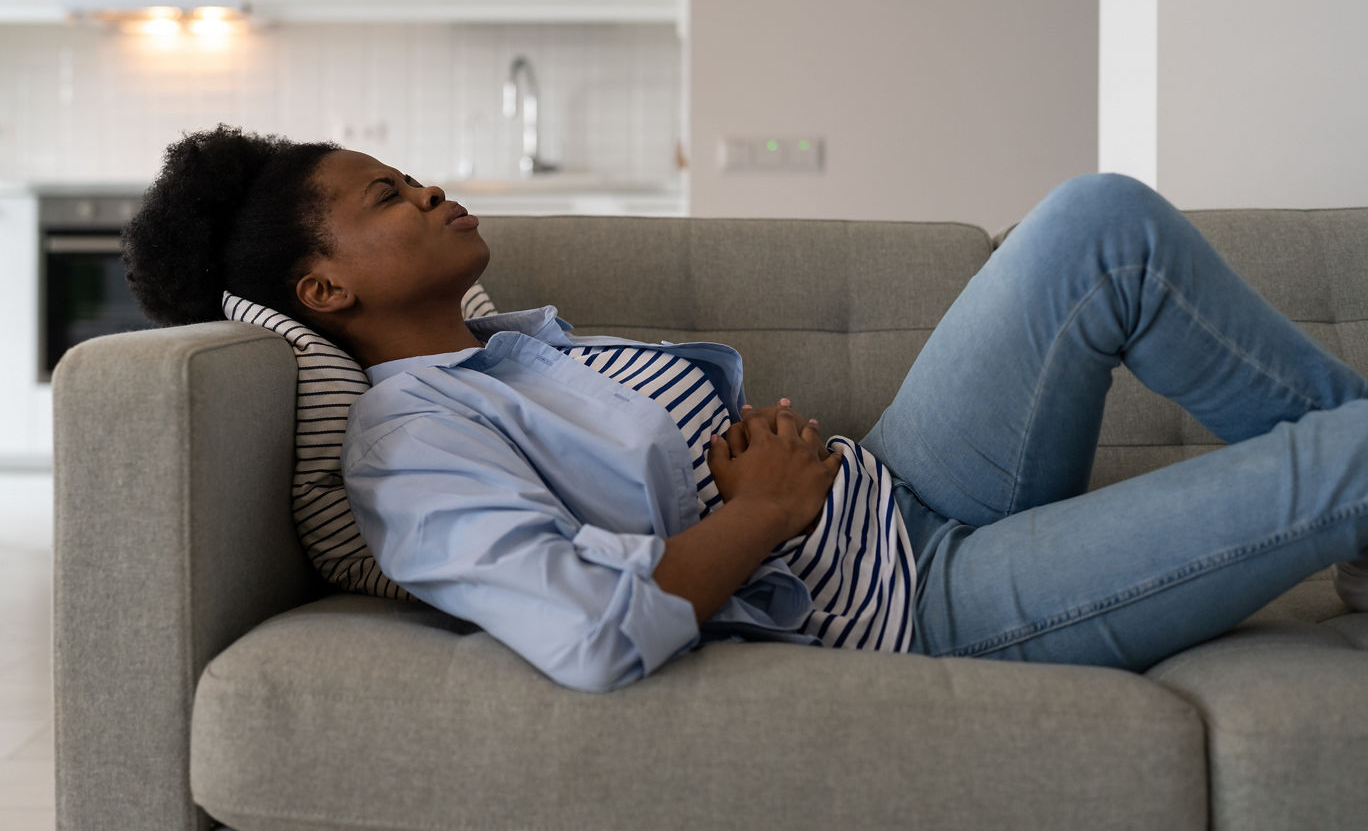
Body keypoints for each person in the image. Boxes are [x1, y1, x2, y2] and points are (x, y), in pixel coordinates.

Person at [122, 124, 1368, 694]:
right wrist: (765, 509)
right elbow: (583, 635)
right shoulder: (411, 449)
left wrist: (788, 478)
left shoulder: (507, 346)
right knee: (1348, 456)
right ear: (323, 287)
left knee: (1098, 220)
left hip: (903, 487)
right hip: (913, 606)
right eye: (388, 195)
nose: (433, 189)